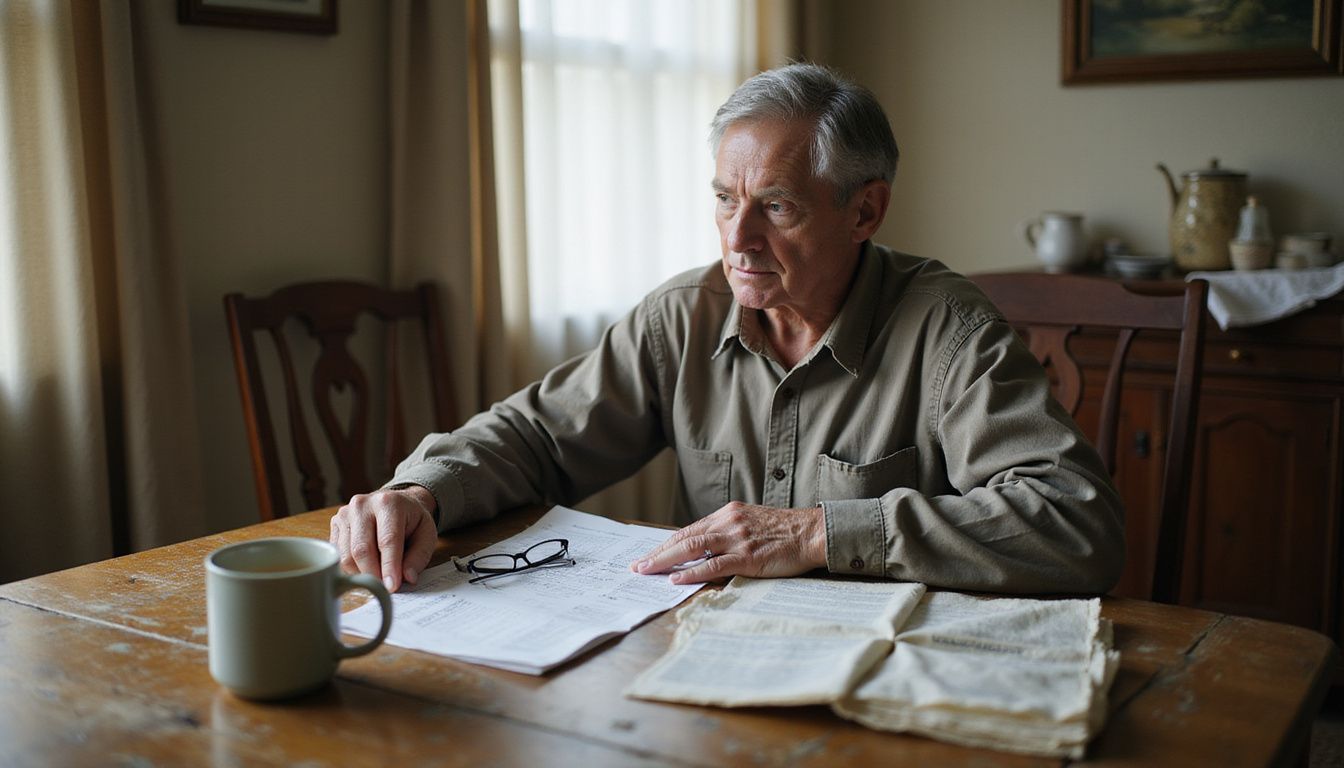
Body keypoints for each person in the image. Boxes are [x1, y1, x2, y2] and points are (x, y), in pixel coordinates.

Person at [330, 63, 1124, 596]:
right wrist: (420, 490)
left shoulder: (950, 332)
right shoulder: (685, 316)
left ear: (865, 211)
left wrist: (817, 533)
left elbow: (1074, 520)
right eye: (723, 199)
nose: (736, 239)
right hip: (710, 669)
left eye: (775, 206)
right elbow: (537, 437)